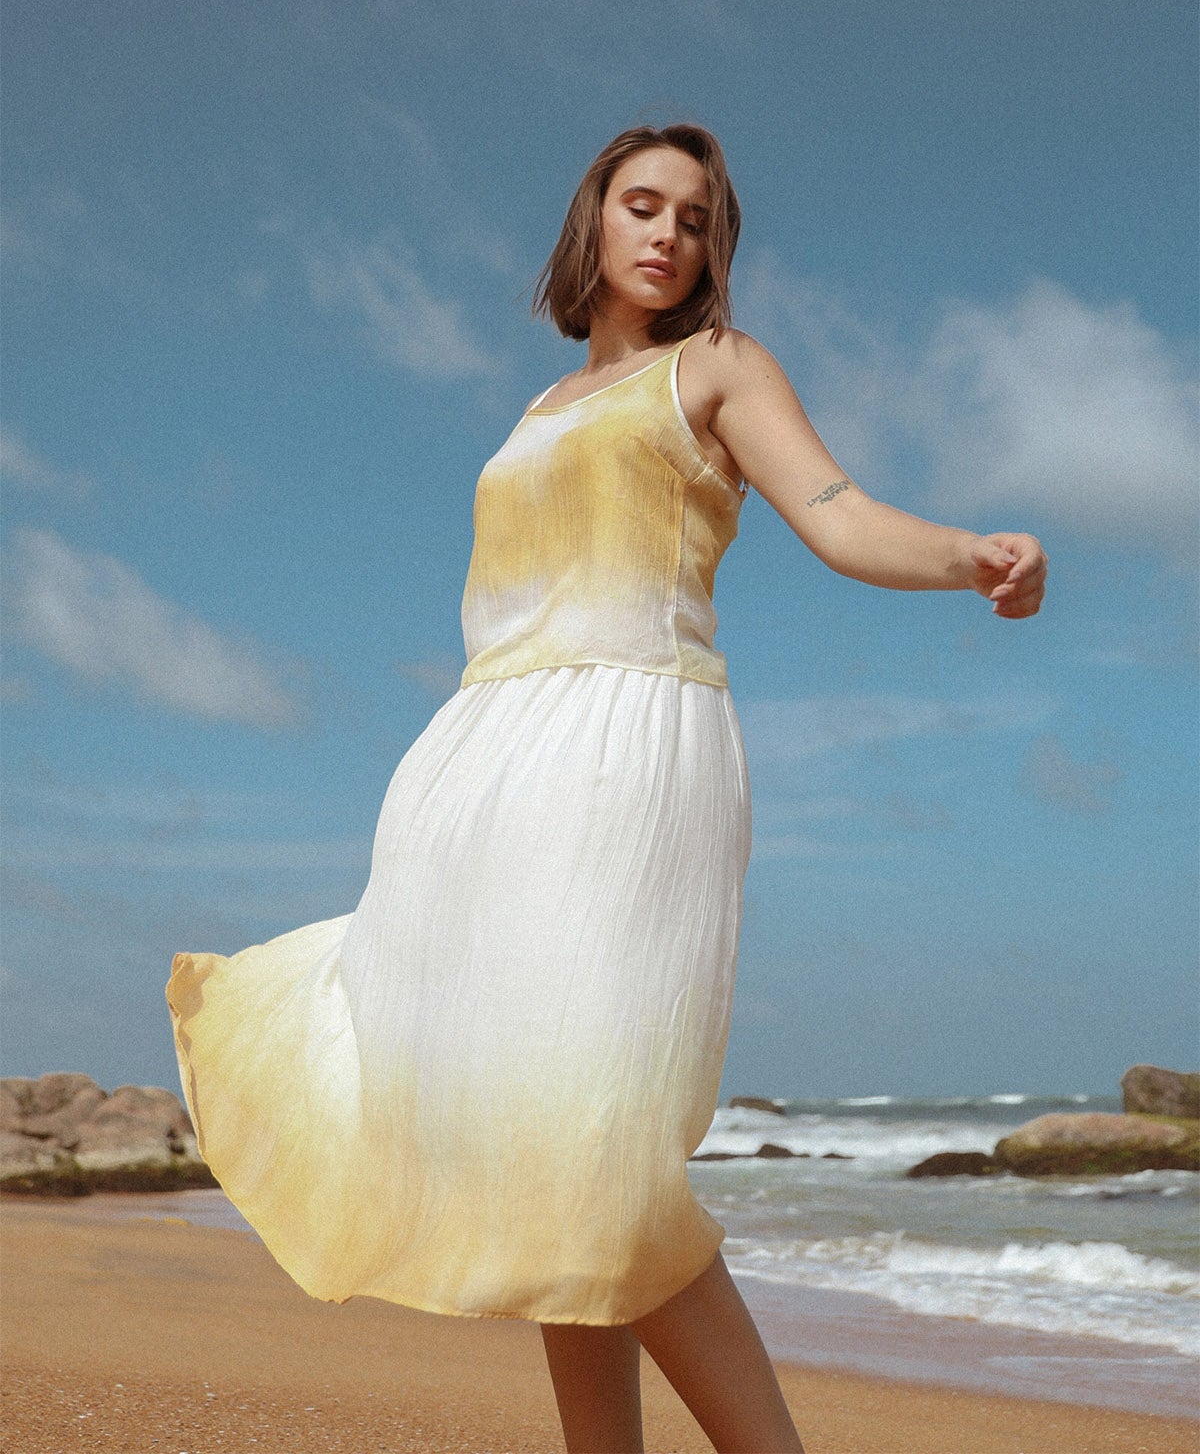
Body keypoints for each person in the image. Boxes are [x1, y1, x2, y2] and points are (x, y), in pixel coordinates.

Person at [166, 122, 1047, 1454]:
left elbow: (838, 511)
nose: (668, 234)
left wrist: (967, 554)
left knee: (598, 1153)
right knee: (538, 1164)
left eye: (695, 219)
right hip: (482, 765)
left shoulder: (720, 367)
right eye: (643, 205)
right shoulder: (536, 410)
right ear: (592, 220)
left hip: (627, 757)